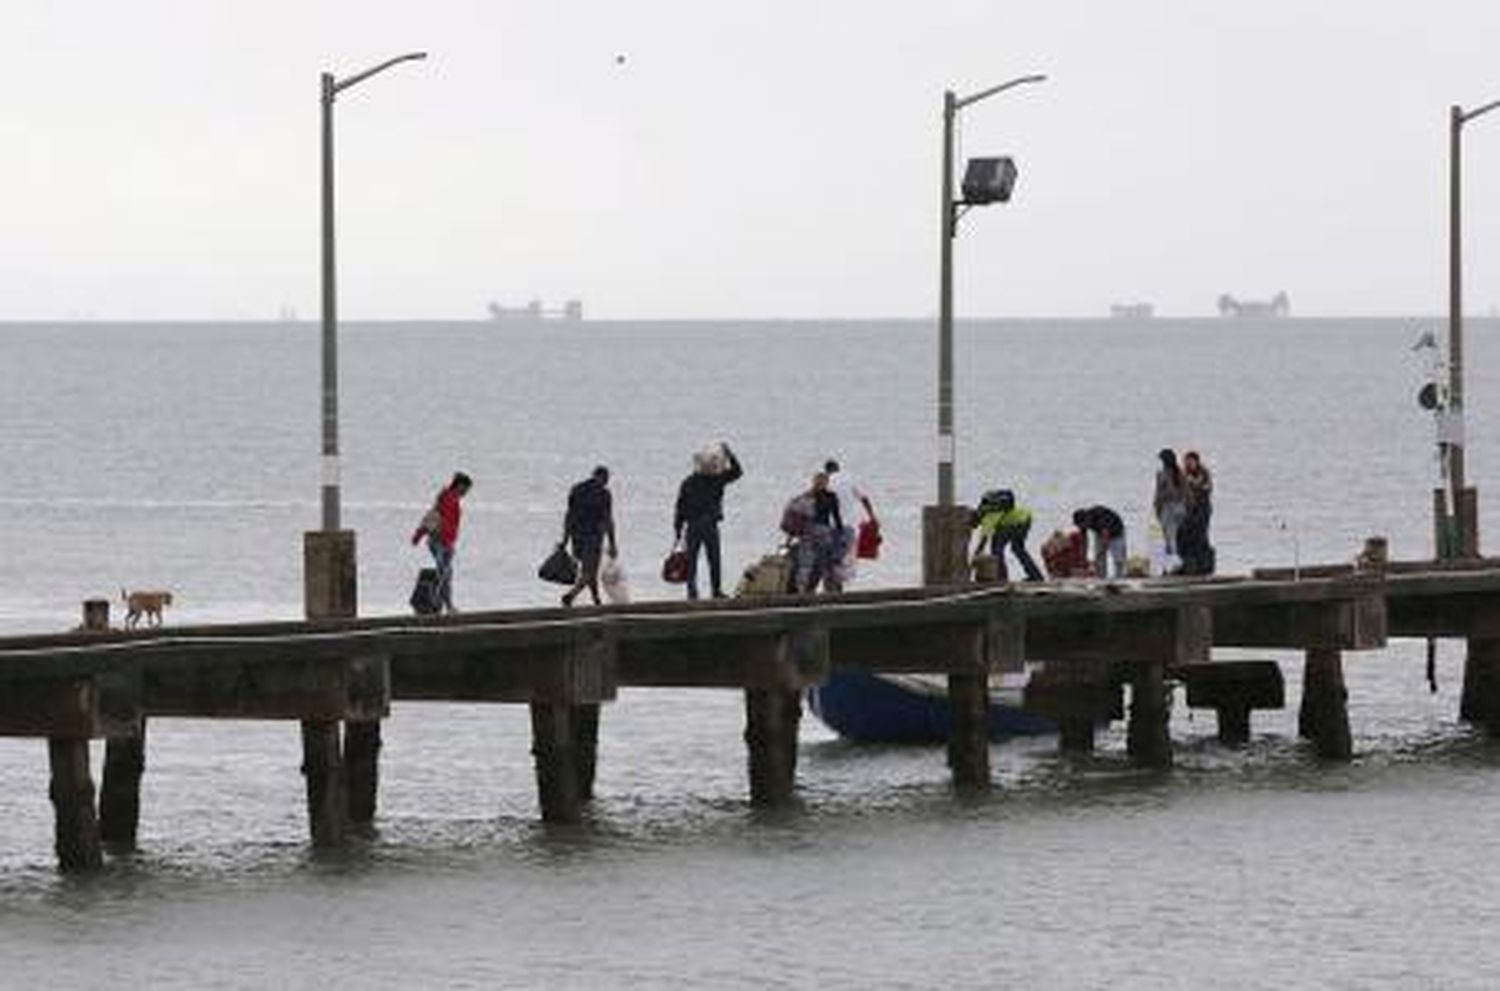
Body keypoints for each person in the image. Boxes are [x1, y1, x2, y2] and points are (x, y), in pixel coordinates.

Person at [673, 443, 743, 599]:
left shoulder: (688, 482)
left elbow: (680, 507)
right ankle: (715, 590)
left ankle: (692, 592)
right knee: (714, 559)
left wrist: (677, 530)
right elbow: (738, 472)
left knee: (692, 561)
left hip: (693, 525)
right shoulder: (717, 479)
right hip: (709, 524)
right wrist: (730, 454)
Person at [411, 471, 472, 614]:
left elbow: (438, 519)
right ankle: (444, 605)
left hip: (445, 543)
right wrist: (419, 535)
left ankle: (441, 604)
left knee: (445, 573)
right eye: (465, 489)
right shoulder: (447, 499)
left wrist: (419, 535)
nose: (466, 492)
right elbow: (436, 519)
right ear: (459, 486)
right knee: (444, 573)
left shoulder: (451, 499)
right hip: (440, 543)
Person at [561, 465, 618, 607]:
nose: (607, 482)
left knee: (590, 571)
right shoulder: (604, 494)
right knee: (589, 571)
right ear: (602, 477)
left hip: (576, 536)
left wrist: (565, 539)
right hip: (593, 537)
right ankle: (570, 595)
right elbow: (608, 519)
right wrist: (612, 543)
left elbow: (569, 516)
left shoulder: (576, 489)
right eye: (606, 479)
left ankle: (596, 601)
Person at [824, 457, 878, 587]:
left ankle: (830, 588)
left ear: (827, 471)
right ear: (838, 468)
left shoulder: (826, 482)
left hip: (829, 527)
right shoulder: (850, 479)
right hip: (849, 526)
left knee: (829, 559)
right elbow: (864, 498)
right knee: (845, 560)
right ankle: (838, 588)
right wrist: (872, 516)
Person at [971, 489, 1044, 582]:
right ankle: (1036, 576)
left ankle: (1002, 578)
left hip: (1015, 522)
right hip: (1025, 518)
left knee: (996, 548)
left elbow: (983, 541)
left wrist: (975, 557)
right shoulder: (989, 509)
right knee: (1017, 549)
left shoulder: (988, 517)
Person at [788, 472, 844, 593]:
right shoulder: (828, 496)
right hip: (822, 532)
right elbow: (836, 517)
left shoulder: (808, 496)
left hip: (812, 533)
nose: (821, 484)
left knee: (807, 563)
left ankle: (802, 590)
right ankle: (829, 589)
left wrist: (790, 538)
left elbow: (798, 521)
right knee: (823, 563)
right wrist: (840, 534)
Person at [1178, 451, 1215, 574]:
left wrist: (1193, 482)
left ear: (1196, 461)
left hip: (1202, 510)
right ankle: (1187, 564)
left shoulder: (1203, 473)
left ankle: (1203, 565)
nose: (1188, 464)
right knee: (1184, 536)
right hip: (1188, 510)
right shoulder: (1183, 474)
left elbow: (1207, 487)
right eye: (1186, 461)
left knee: (1200, 537)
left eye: (1190, 461)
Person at [1073, 504, 1128, 579]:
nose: (1082, 527)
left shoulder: (1098, 515)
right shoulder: (1083, 523)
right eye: (1080, 526)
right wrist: (1083, 557)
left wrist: (1104, 547)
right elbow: (1084, 540)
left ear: (1086, 519)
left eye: (1082, 525)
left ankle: (1119, 578)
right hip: (1100, 532)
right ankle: (1101, 578)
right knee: (1099, 557)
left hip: (1116, 532)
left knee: (1118, 559)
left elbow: (1105, 534)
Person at [1153, 449, 1187, 556]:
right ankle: (1171, 560)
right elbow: (1184, 492)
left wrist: (1157, 507)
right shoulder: (1180, 473)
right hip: (1179, 507)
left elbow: (1159, 493)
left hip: (1168, 508)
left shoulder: (1162, 474)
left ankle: (1173, 561)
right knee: (1172, 535)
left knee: (1169, 536)